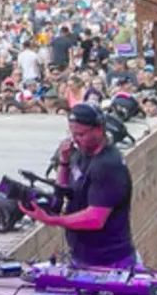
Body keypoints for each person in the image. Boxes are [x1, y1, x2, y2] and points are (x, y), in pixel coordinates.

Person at [18, 102, 136, 268]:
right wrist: (64, 162)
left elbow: (96, 218)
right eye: (72, 134)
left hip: (109, 260)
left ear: (99, 129)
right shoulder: (80, 153)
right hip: (81, 255)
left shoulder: (107, 165)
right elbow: (64, 189)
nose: (75, 140)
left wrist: (54, 220)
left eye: (81, 134)